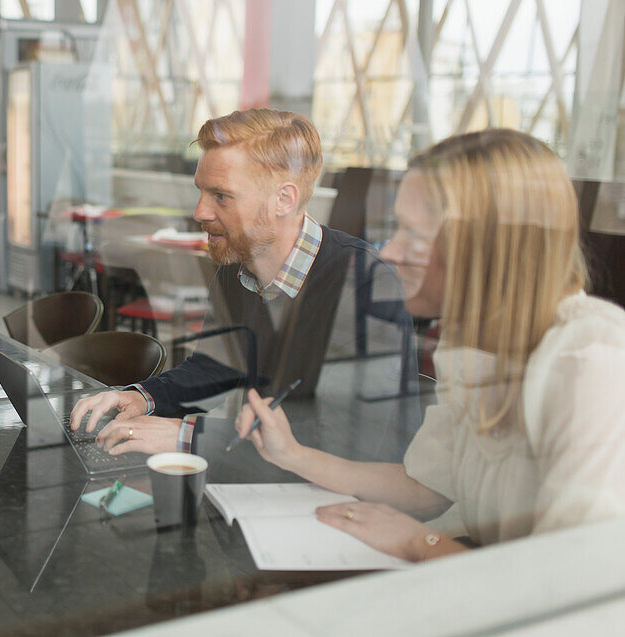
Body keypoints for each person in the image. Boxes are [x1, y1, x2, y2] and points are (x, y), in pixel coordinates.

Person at [234, 128, 625, 561]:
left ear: (483, 248)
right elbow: (428, 487)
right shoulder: (473, 342)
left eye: (413, 234)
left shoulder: (591, 358)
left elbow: (574, 575)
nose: (392, 251)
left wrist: (421, 543)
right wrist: (294, 455)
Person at [70, 108, 417, 460]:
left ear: (284, 199)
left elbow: (343, 434)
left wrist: (186, 436)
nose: (200, 212)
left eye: (221, 196)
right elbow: (213, 367)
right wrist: (141, 397)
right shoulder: (237, 261)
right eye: (201, 192)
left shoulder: (363, 284)